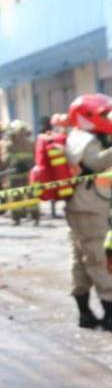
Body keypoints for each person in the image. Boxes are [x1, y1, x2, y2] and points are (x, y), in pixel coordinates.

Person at [63, 94, 112, 330]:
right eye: (103, 114)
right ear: (86, 117)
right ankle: (109, 310)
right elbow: (96, 164)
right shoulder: (83, 139)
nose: (107, 118)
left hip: (88, 205)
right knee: (98, 258)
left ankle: (85, 313)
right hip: (88, 207)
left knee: (83, 260)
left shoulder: (88, 136)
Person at [1, 120, 38, 225]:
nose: (21, 135)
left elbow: (35, 157)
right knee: (15, 197)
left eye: (23, 132)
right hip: (14, 174)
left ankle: (35, 217)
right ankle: (16, 218)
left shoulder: (30, 144)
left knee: (32, 195)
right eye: (19, 132)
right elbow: (5, 159)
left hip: (28, 173)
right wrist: (16, 163)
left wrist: (29, 164)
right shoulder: (8, 145)